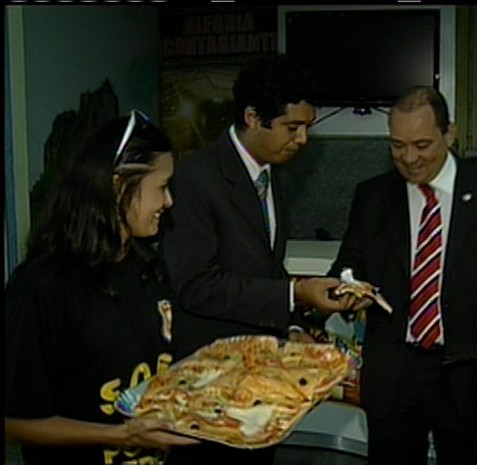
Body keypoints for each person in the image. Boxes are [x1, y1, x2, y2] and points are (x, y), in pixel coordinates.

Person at [328, 86, 477, 465]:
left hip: (468, 373)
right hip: (393, 377)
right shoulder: (373, 197)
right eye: (397, 145)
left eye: (422, 144)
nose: (409, 158)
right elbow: (347, 266)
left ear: (450, 134)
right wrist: (347, 289)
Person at [160, 54, 351, 464]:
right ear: (252, 117)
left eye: (306, 127)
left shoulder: (267, 173)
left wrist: (296, 321)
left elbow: (262, 268)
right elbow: (196, 285)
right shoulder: (198, 179)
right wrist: (295, 293)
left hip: (258, 391)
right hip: (211, 393)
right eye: (292, 127)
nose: (302, 140)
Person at [5, 110, 200, 465]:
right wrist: (120, 435)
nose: (168, 202)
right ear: (118, 186)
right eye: (161, 188)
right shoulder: (43, 289)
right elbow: (13, 423)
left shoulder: (149, 268)